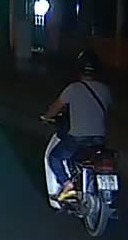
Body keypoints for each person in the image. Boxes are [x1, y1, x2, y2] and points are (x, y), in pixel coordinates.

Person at [42, 50, 113, 202]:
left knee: (54, 157)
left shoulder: (73, 89)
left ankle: (67, 184)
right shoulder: (105, 90)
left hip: (78, 139)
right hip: (100, 140)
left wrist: (46, 117)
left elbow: (55, 108)